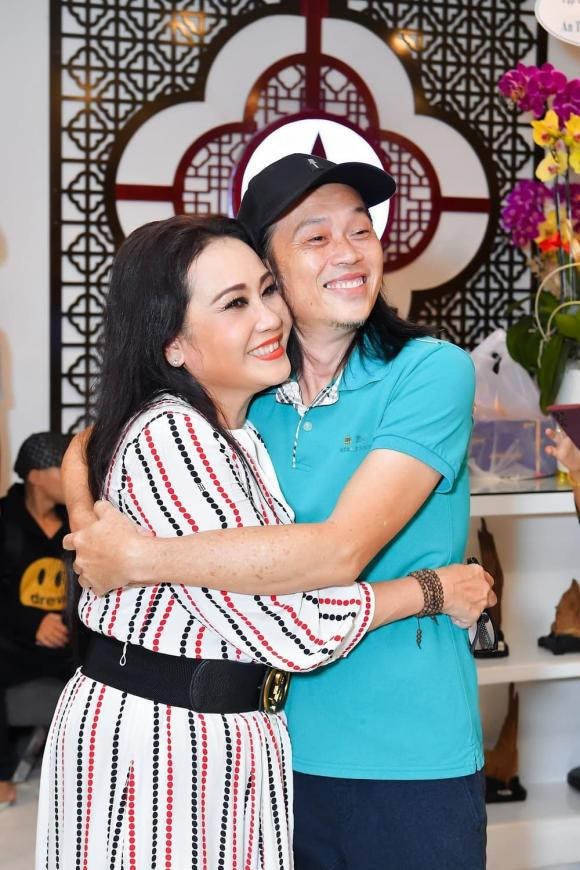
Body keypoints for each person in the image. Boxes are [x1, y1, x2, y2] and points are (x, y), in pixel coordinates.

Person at [64, 156, 495, 869]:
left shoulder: (428, 371)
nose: (349, 252)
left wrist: (140, 558)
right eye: (316, 237)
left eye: (361, 231)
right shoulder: (248, 385)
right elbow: (96, 438)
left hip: (407, 748)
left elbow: (340, 550)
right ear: (267, 268)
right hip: (268, 747)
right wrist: (88, 526)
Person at [0, 432, 73, 809]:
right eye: (62, 468)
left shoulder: (76, 523)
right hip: (13, 641)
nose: (72, 477)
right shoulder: (5, 519)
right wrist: (33, 623)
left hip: (68, 641)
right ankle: (3, 773)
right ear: (35, 476)